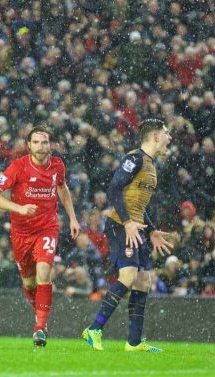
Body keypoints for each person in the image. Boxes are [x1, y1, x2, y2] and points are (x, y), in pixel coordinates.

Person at [82, 119, 173, 352]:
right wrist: (128, 222)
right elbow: (113, 189)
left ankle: (133, 343)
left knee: (144, 281)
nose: (169, 138)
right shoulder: (135, 158)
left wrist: (150, 230)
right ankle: (94, 329)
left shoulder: (151, 165)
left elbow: (138, 205)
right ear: (154, 136)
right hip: (120, 225)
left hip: (137, 227)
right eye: (166, 134)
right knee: (129, 275)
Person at [0, 125, 81, 347]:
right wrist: (18, 209)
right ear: (28, 145)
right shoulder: (18, 167)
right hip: (21, 232)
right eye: (36, 142)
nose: (41, 146)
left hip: (47, 228)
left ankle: (40, 328)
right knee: (29, 283)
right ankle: (40, 315)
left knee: (44, 273)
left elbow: (63, 189)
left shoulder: (57, 165)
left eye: (44, 142)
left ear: (50, 145)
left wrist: (73, 218)